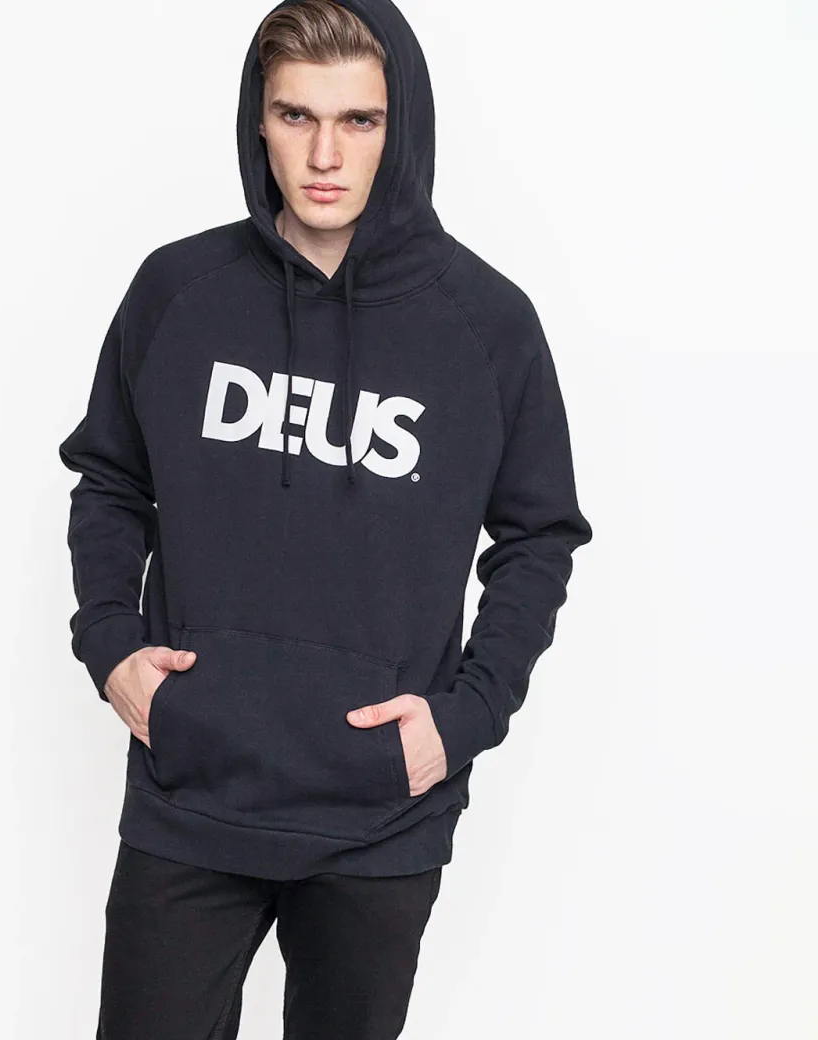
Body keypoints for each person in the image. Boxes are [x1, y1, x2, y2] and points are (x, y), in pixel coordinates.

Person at [57, 0, 593, 1036]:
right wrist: (110, 643)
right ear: (256, 119)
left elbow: (539, 535)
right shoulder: (178, 291)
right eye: (295, 115)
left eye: (358, 120)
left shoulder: (486, 326)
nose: (323, 156)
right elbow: (109, 478)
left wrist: (465, 717)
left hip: (378, 814)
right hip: (192, 788)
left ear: (402, 125)